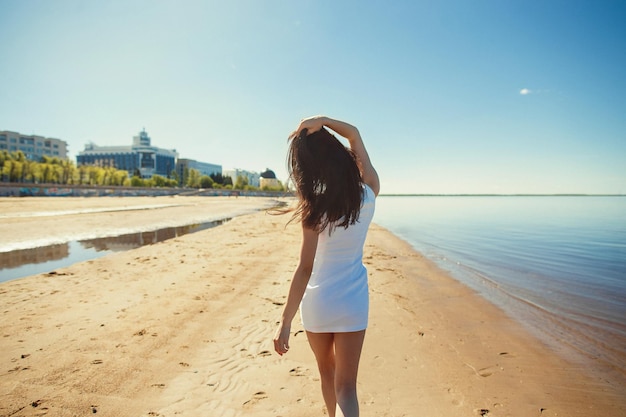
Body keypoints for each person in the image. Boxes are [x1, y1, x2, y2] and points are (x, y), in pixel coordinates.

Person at [273, 116, 380, 417]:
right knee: (347, 386)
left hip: (318, 303)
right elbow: (355, 135)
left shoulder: (313, 208)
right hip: (353, 302)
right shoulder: (368, 194)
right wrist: (323, 121)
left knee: (326, 372)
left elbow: (304, 269)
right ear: (338, 156)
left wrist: (285, 322)